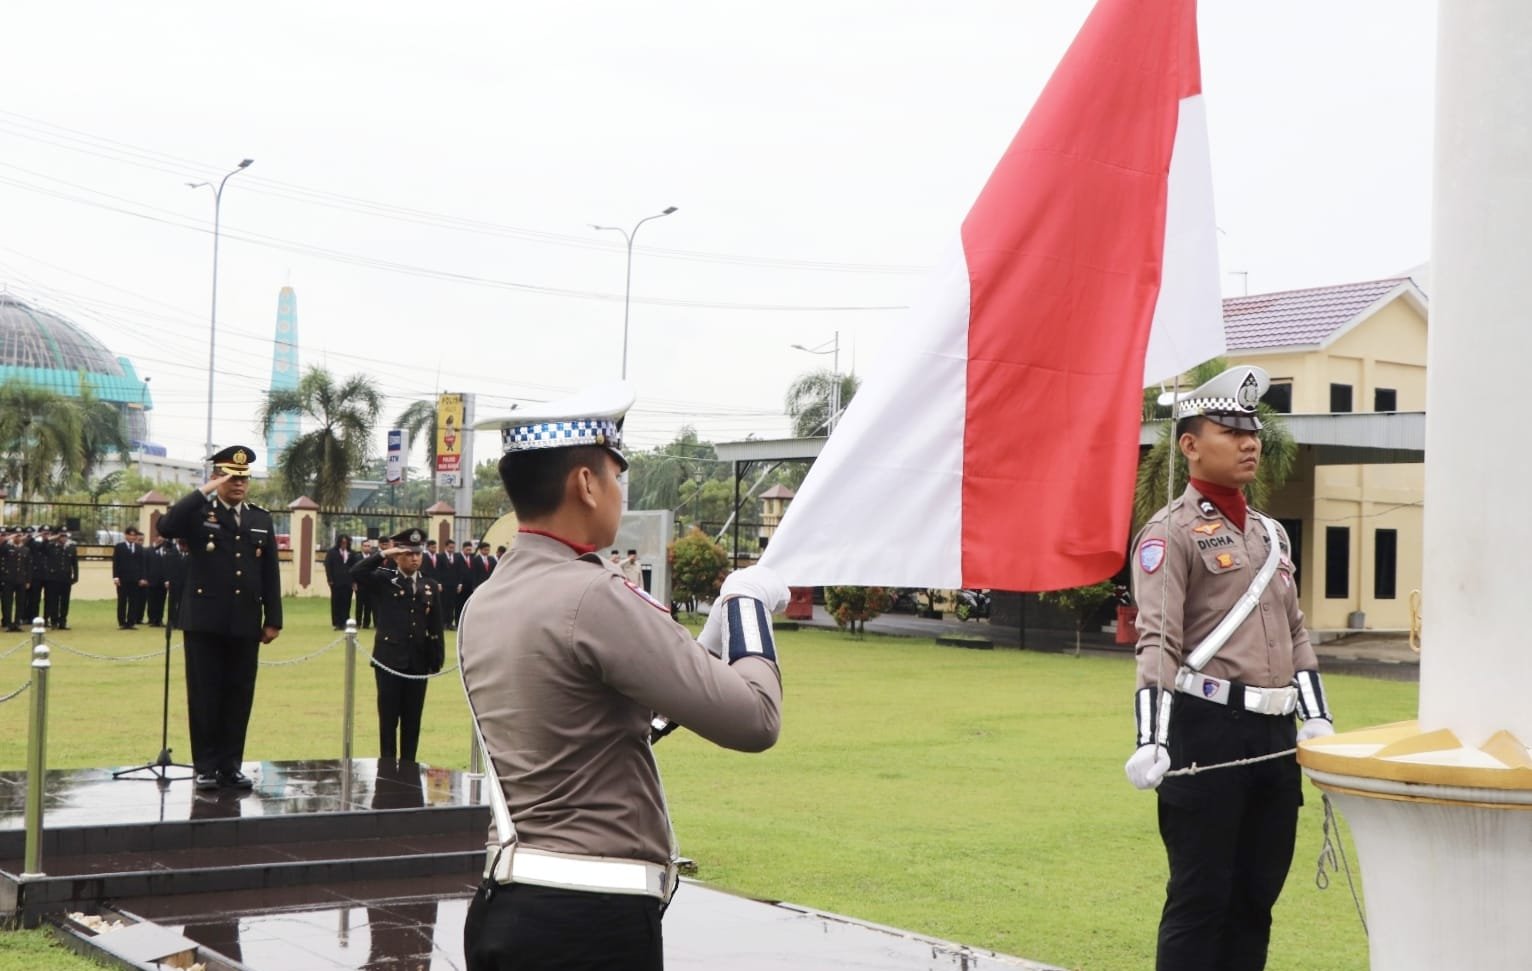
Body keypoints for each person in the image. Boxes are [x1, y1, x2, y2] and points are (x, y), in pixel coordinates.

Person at [459, 382, 786, 971]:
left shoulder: (486, 598)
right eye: (615, 474)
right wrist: (746, 607)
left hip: (508, 904)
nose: (618, 491)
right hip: (587, 921)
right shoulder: (593, 593)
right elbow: (756, 719)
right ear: (585, 483)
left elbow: (588, 727)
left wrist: (695, 656)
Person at [1125, 365, 1335, 971]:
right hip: (1206, 732)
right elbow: (1156, 640)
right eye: (1230, 430)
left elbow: (1295, 632)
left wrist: (1315, 718)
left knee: (1255, 900)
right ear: (1190, 445)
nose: (1249, 442)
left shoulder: (1271, 536)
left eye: (1252, 431)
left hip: (1272, 739)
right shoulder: (1170, 533)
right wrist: (1151, 739)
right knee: (1200, 899)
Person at [157, 446, 283, 791]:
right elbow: (166, 526)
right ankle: (206, 767)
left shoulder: (260, 518)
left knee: (239, 694)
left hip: (244, 622)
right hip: (204, 621)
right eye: (230, 476)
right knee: (205, 694)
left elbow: (270, 572)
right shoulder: (199, 514)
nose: (239, 483)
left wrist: (273, 618)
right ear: (216, 477)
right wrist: (204, 491)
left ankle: (231, 765)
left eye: (243, 477)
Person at [351, 527, 444, 761]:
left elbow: (435, 626)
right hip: (389, 661)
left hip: (418, 662)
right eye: (408, 554)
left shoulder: (430, 585)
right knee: (389, 719)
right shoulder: (385, 579)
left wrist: (436, 660)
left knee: (413, 720)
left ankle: (409, 768)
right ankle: (388, 767)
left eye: (417, 554)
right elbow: (356, 572)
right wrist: (383, 554)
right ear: (397, 556)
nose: (414, 558)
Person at [112, 527, 150, 629]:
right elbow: (116, 562)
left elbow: (142, 565)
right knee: (122, 601)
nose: (132, 537)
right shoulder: (119, 547)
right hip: (122, 579)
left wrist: (142, 577)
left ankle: (131, 622)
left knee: (134, 601)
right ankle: (122, 622)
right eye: (131, 535)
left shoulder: (139, 548)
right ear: (126, 535)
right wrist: (115, 577)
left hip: (135, 579)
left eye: (134, 535)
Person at [41, 526, 78, 630]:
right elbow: (42, 547)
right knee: (54, 601)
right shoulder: (51, 546)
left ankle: (63, 621)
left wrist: (75, 576)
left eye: (65, 535)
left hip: (66, 578)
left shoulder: (71, 547)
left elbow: (74, 563)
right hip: (53, 578)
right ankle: (54, 621)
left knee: (65, 601)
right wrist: (52, 537)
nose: (63, 538)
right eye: (61, 535)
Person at [324, 534, 356, 630]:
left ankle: (345, 622)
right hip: (336, 582)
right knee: (336, 602)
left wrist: (354, 581)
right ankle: (337, 623)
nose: (344, 544)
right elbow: (328, 566)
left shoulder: (352, 553)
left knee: (347, 602)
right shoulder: (332, 552)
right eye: (342, 543)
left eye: (346, 543)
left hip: (348, 582)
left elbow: (355, 567)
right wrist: (330, 579)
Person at [145, 538, 173, 627]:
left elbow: (168, 567)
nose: (161, 541)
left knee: (161, 601)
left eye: (163, 540)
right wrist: (146, 578)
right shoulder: (148, 551)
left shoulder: (167, 551)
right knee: (152, 601)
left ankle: (159, 619)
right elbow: (145, 566)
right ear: (156, 538)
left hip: (163, 582)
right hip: (152, 580)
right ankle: (152, 619)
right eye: (160, 539)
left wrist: (167, 579)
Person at [0, 528, 24, 632]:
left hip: (20, 580)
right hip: (8, 579)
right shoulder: (6, 547)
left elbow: (27, 565)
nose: (17, 537)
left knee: (20, 602)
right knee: (7, 602)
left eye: (19, 536)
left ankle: (17, 622)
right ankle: (8, 622)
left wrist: (27, 579)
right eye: (16, 535)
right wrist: (6, 540)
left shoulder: (24, 549)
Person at [355, 538, 378, 629]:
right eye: (365, 546)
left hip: (371, 584)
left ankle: (366, 624)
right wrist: (354, 582)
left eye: (369, 546)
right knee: (359, 605)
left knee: (369, 605)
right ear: (361, 547)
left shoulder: (373, 557)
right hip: (360, 584)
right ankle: (358, 623)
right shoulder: (357, 557)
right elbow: (353, 570)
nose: (367, 548)